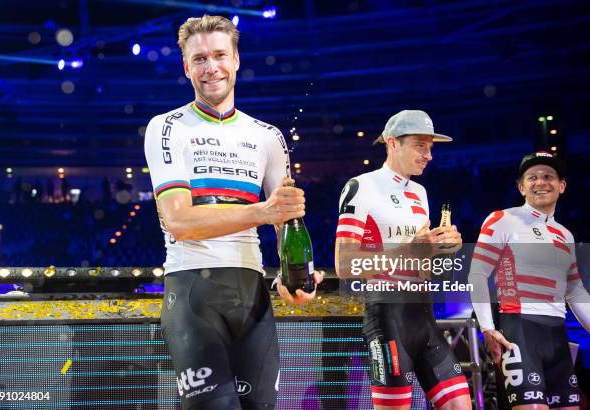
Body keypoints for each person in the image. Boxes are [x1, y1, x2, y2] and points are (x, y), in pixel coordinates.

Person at [143, 15, 322, 410]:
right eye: (200, 59)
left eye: (220, 55)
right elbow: (180, 222)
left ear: (237, 59)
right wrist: (265, 211)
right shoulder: (167, 128)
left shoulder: (269, 137)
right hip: (193, 293)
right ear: (186, 67)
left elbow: (287, 223)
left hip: (253, 295)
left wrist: (298, 277)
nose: (212, 68)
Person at [335, 110, 472, 410]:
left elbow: (420, 263)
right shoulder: (361, 186)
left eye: (431, 147)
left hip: (424, 316)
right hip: (387, 319)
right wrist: (411, 249)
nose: (429, 155)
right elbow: (344, 265)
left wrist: (442, 248)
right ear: (392, 143)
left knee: (461, 405)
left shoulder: (419, 193)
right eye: (421, 145)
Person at [469, 151, 590, 410]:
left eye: (548, 176)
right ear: (521, 187)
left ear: (562, 186)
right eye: (532, 177)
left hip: (557, 336)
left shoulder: (565, 234)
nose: (540, 182)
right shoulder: (503, 219)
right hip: (518, 331)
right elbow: (477, 273)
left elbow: (576, 291)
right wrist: (488, 327)